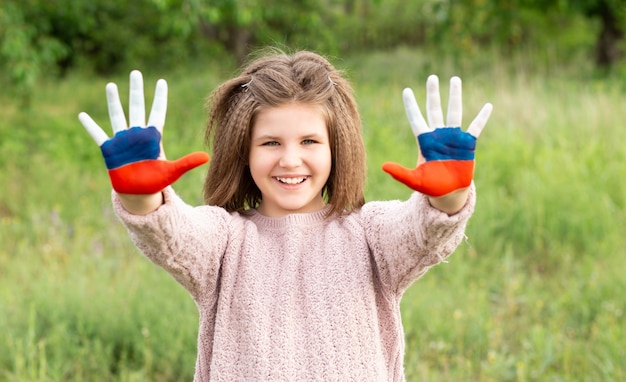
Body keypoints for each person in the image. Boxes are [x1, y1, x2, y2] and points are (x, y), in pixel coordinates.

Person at [78, 50, 492, 381]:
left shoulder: (370, 233)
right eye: (271, 142)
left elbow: (423, 231)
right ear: (244, 152)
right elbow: (171, 233)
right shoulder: (224, 240)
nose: (290, 160)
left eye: (310, 140)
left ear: (336, 148)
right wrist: (141, 196)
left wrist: (450, 195)